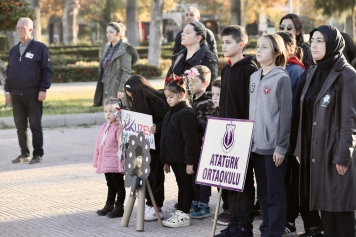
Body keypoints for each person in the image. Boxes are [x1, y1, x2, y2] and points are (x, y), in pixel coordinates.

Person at [294, 25, 356, 237]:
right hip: (314, 152)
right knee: (326, 210)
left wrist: (343, 155)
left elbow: (350, 120)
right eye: (312, 40)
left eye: (320, 40)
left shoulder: (347, 74)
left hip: (335, 151)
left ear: (333, 44)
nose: (314, 45)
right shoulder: (312, 71)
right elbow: (304, 114)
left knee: (341, 209)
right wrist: (300, 149)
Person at [215, 25, 258, 237]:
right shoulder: (226, 69)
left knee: (244, 182)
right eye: (222, 42)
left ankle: (244, 226)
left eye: (228, 42)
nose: (223, 46)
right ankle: (233, 223)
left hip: (243, 133)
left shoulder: (250, 70)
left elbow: (252, 105)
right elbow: (224, 103)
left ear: (241, 44)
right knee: (229, 181)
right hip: (226, 134)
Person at [249, 34, 292, 237]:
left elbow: (285, 116)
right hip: (256, 146)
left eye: (264, 47)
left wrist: (281, 147)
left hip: (274, 149)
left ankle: (274, 232)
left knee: (275, 193)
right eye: (258, 46)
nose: (258, 50)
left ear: (276, 52)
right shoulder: (254, 77)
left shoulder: (282, 78)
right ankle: (266, 228)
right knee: (263, 193)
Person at [5, 17, 53, 164]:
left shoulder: (40, 48)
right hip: (16, 95)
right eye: (18, 28)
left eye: (23, 28)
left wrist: (43, 89)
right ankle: (24, 153)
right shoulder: (13, 51)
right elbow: (9, 72)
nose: (19, 31)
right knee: (20, 127)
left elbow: (47, 70)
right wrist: (7, 91)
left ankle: (37, 154)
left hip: (33, 94)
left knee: (35, 125)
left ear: (30, 29)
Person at [124, 75, 170, 222]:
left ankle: (157, 207)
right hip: (143, 146)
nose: (131, 99)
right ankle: (149, 204)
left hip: (157, 146)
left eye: (132, 96)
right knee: (145, 175)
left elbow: (168, 122)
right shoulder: (137, 103)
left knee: (156, 175)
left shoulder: (158, 102)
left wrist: (157, 127)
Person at [275, 31, 306, 237]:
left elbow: (292, 108)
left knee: (289, 179)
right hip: (278, 133)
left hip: (291, 134)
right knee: (281, 179)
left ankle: (290, 220)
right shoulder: (277, 69)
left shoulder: (295, 70)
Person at [160, 76, 200, 228]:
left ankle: (184, 214)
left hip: (183, 159)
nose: (168, 100)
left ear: (181, 95)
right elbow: (165, 137)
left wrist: (190, 162)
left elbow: (191, 140)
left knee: (186, 185)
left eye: (171, 97)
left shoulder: (186, 113)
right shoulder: (170, 113)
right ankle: (181, 211)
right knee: (181, 185)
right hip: (174, 158)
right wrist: (165, 160)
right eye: (167, 97)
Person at [186, 65, 214, 219]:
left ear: (204, 83)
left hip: (204, 145)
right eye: (188, 80)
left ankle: (204, 204)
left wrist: (195, 121)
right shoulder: (189, 100)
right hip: (193, 145)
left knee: (203, 176)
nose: (190, 84)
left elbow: (210, 123)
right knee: (193, 174)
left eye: (194, 81)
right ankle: (195, 200)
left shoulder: (208, 102)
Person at [93, 97, 126, 218]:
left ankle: (119, 207)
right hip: (106, 162)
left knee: (118, 184)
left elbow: (121, 147)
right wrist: (97, 161)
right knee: (110, 184)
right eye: (106, 111)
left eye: (111, 111)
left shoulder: (119, 128)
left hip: (115, 163)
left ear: (118, 112)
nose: (108, 114)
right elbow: (98, 145)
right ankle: (109, 204)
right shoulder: (104, 127)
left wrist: (122, 165)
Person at [93, 22, 139, 107]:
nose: (108, 35)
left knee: (117, 114)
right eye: (107, 32)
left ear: (118, 33)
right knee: (109, 115)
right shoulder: (108, 48)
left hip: (116, 88)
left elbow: (127, 71)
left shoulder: (125, 49)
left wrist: (121, 89)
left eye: (111, 32)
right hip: (105, 86)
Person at [166, 21, 218, 91]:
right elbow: (168, 82)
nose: (182, 34)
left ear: (198, 38)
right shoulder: (179, 56)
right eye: (183, 31)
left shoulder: (209, 59)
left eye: (187, 32)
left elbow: (211, 90)